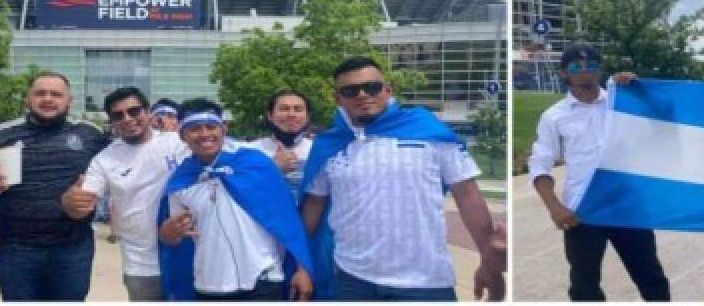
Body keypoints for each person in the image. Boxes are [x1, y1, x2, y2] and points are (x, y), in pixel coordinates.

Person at [301, 56, 505, 301]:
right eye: (350, 90)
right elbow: (314, 205)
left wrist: (488, 260)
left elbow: (467, 195)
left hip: (425, 282)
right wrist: (302, 265)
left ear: (388, 90)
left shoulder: (430, 132)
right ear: (338, 99)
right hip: (351, 279)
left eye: (372, 87)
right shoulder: (329, 146)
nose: (363, 94)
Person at [528, 45, 670, 301]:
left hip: (626, 205)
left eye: (591, 66)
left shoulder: (623, 104)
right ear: (563, 73)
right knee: (584, 284)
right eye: (576, 68)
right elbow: (540, 163)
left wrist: (640, 91)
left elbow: (663, 122)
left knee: (651, 277)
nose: (585, 73)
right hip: (582, 210)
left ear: (599, 69)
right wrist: (554, 207)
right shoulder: (554, 117)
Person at [158, 99, 314, 301]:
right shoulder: (181, 180)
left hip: (263, 279)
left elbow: (287, 221)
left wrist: (303, 270)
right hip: (209, 285)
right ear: (182, 136)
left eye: (211, 127)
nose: (205, 134)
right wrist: (168, 232)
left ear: (223, 129)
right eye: (195, 129)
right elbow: (173, 236)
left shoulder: (255, 164)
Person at [0, 71, 110, 302]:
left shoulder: (90, 133)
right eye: (40, 93)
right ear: (28, 99)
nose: (48, 99)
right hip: (16, 246)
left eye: (56, 94)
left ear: (69, 101)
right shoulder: (3, 132)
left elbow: (116, 168)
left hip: (72, 246)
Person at [60, 87, 187, 302]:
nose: (127, 119)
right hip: (142, 263)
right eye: (118, 116)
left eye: (134, 111)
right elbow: (81, 205)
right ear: (112, 122)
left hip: (187, 253)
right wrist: (71, 202)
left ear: (148, 112)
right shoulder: (104, 160)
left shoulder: (178, 143)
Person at [245, 88, 314, 199]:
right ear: (270, 115)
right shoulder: (249, 151)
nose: (291, 114)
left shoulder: (318, 150)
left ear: (307, 116)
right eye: (284, 109)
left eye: (298, 109)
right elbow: (240, 193)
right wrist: (273, 168)